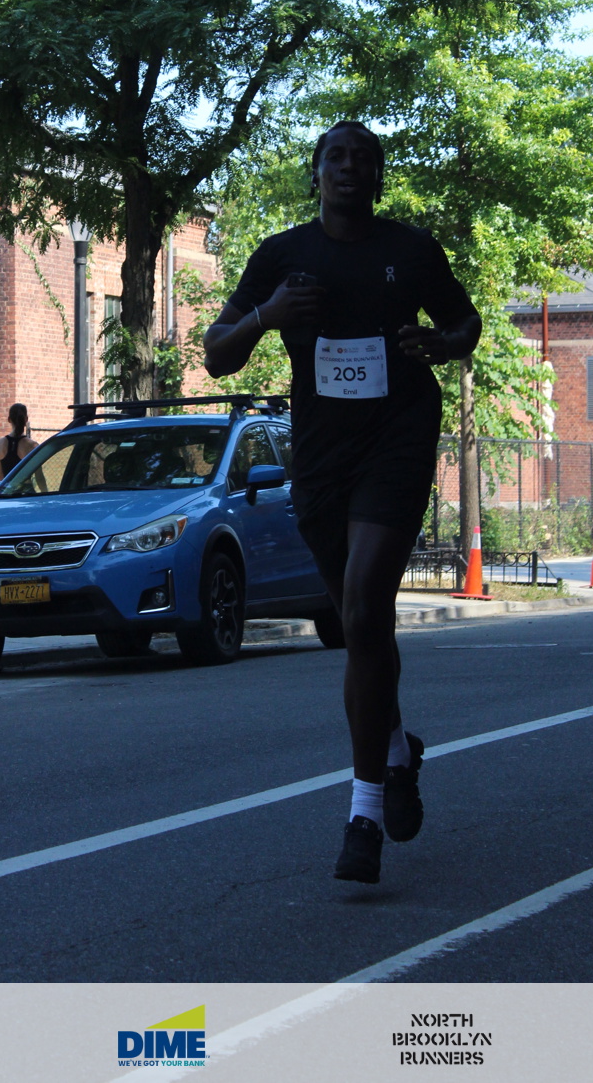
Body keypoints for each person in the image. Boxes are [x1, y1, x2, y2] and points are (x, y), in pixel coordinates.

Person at [203, 121, 481, 883]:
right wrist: (267, 317)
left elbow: (466, 320)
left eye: (365, 159)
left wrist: (444, 344)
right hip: (323, 455)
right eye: (337, 157)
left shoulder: (411, 251)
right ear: (316, 173)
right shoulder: (283, 256)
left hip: (398, 437)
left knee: (361, 608)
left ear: (379, 178)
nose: (350, 167)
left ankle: (363, 815)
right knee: (365, 626)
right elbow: (216, 353)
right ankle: (396, 752)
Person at [0, 403, 38, 480]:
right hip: (26, 487)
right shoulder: (32, 446)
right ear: (26, 419)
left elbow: (0, 477)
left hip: (6, 488)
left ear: (9, 419)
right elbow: (39, 477)